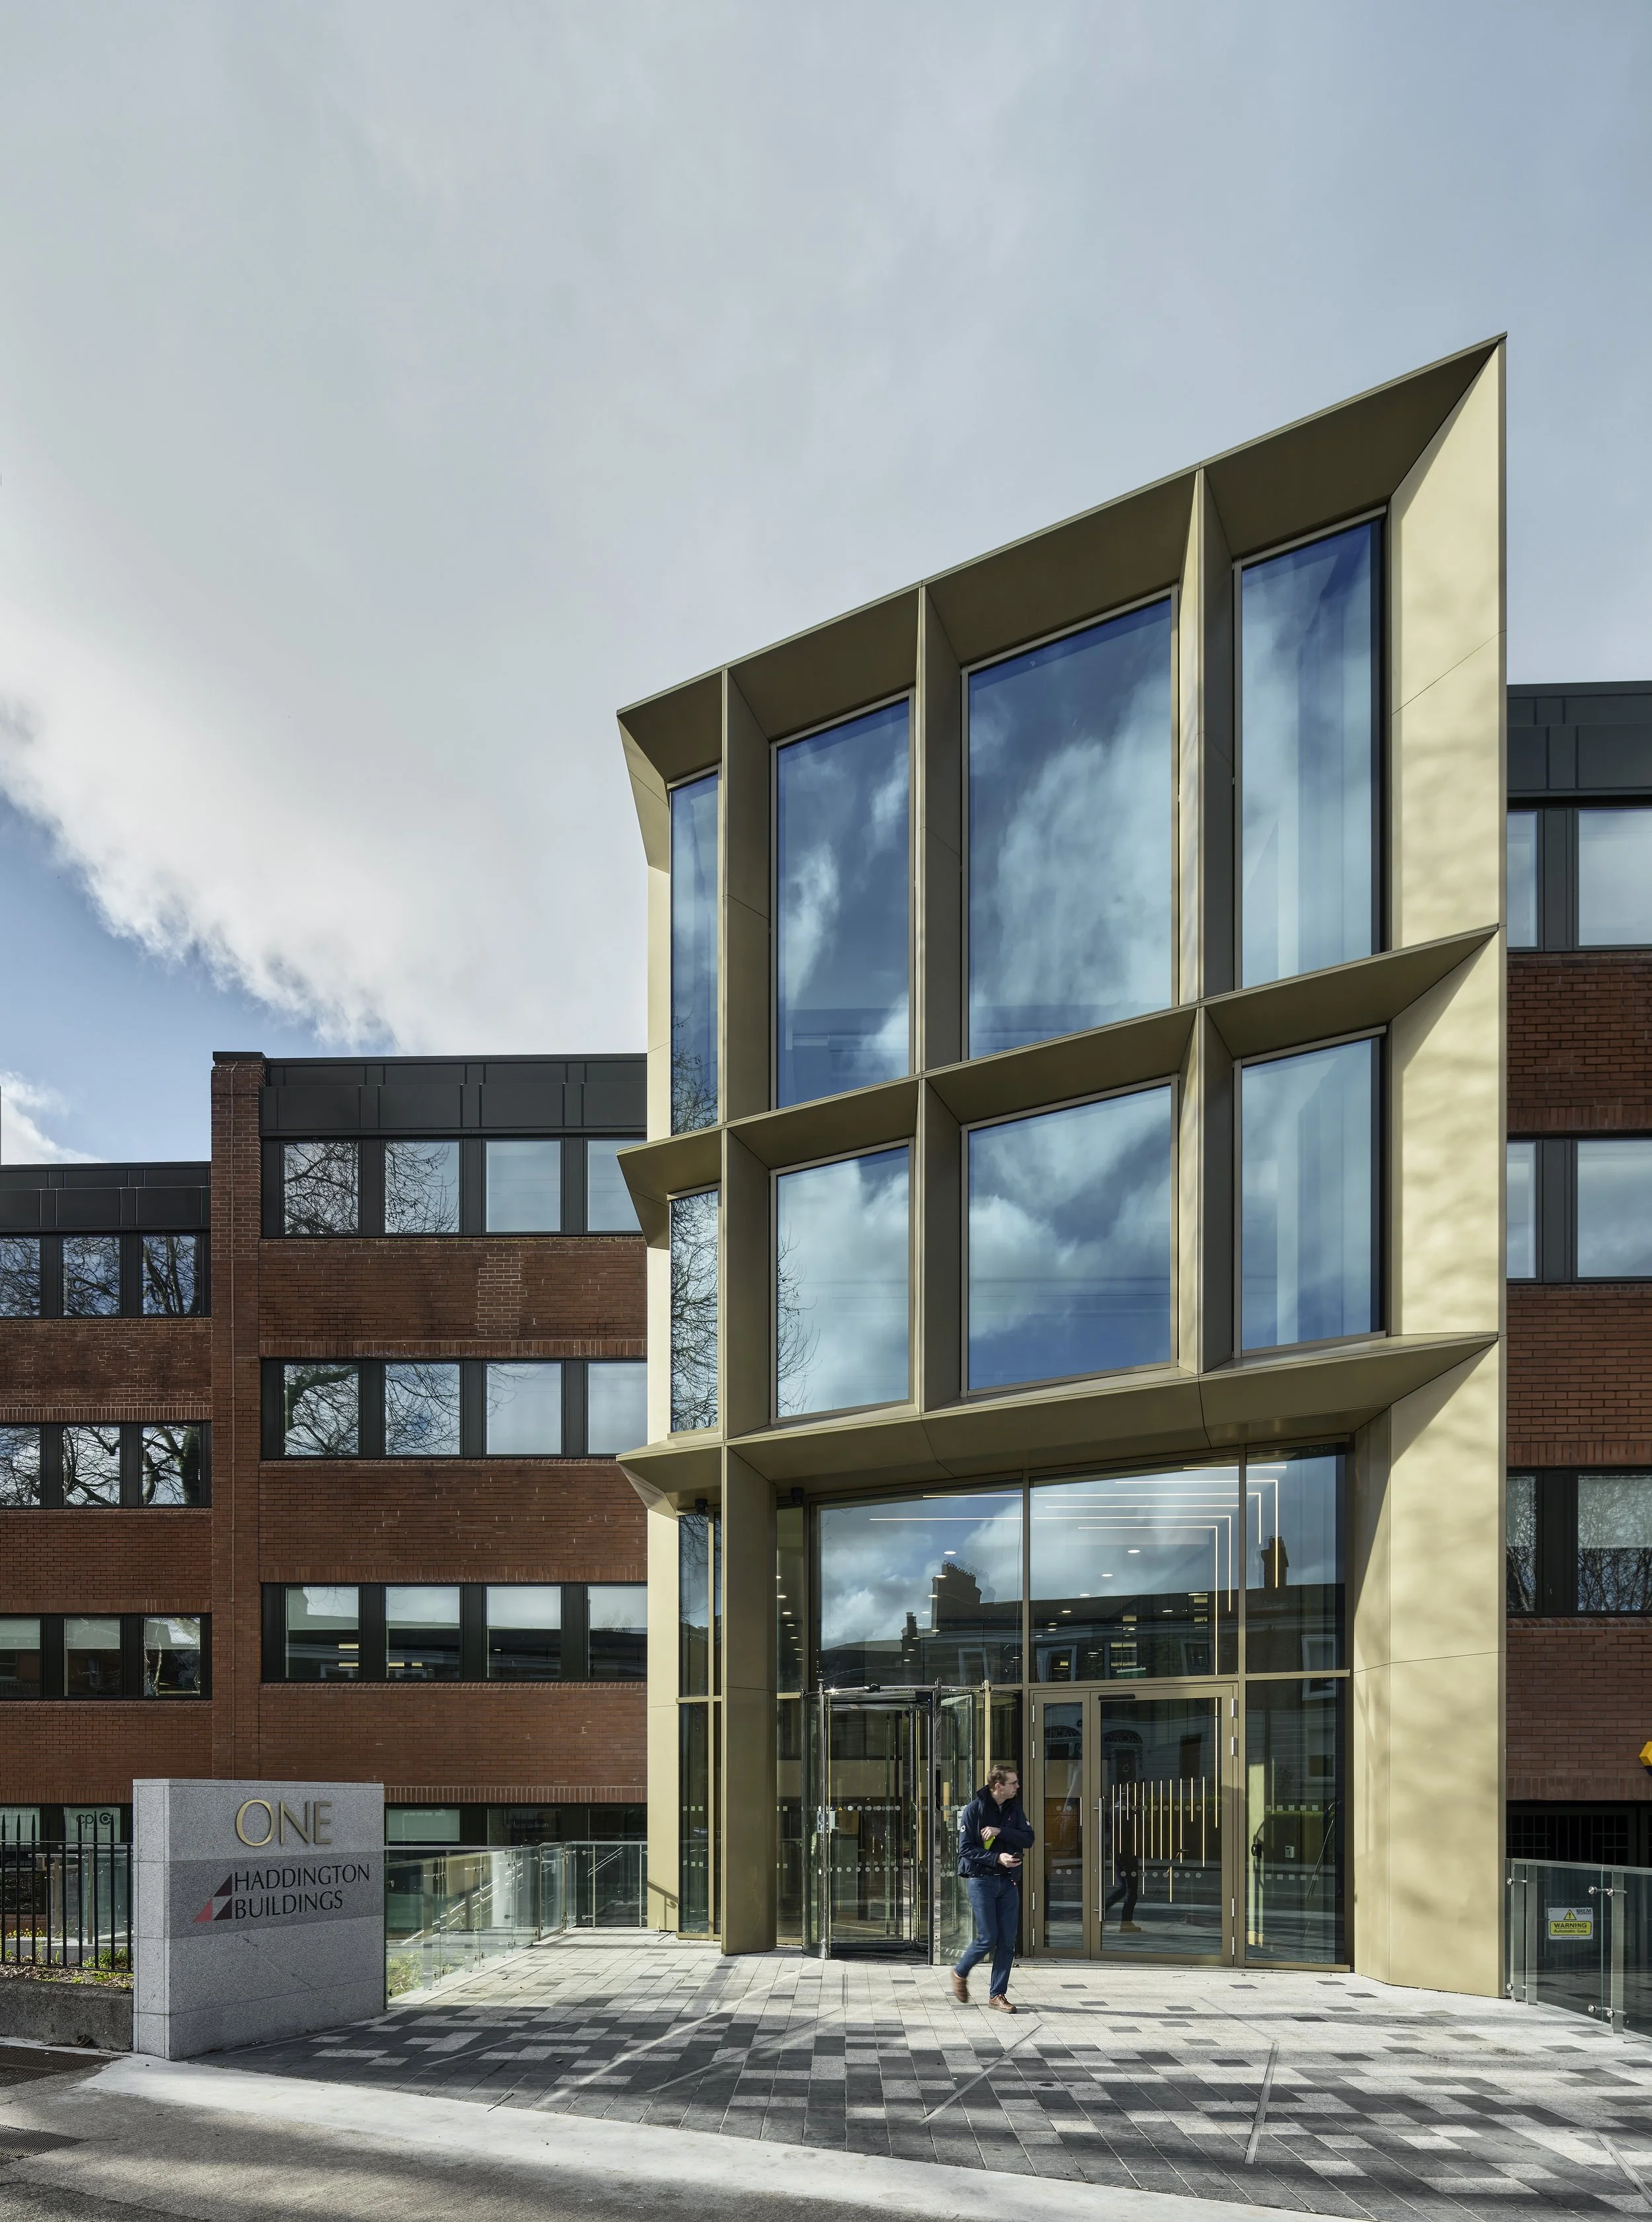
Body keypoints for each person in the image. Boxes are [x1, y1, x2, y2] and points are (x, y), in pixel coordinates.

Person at [950, 1762, 1034, 2013]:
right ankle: (960, 1972)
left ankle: (997, 1995)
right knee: (988, 1938)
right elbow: (965, 1849)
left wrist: (1000, 1831)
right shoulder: (974, 1810)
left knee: (1008, 1942)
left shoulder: (1014, 1809)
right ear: (998, 1786)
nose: (1017, 1786)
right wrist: (997, 1858)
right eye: (1013, 1783)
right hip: (982, 1881)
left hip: (1008, 1882)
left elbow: (1028, 1838)